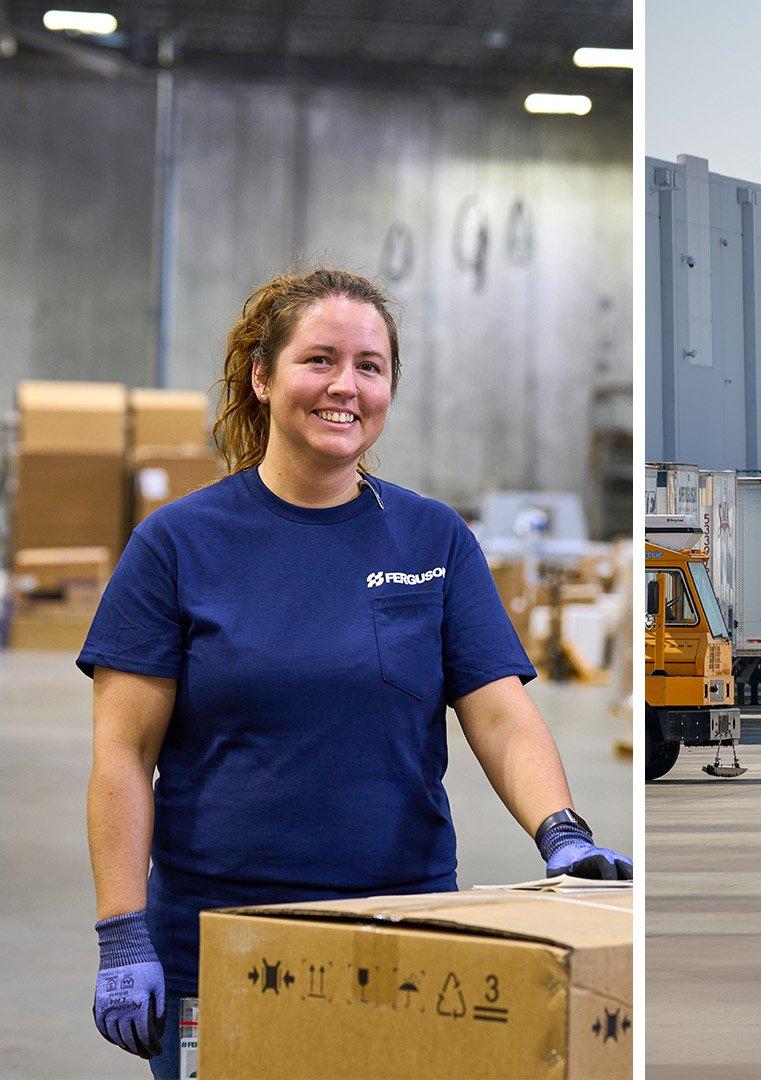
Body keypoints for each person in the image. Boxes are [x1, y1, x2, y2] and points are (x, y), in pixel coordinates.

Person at [83, 268, 632, 1077]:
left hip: (406, 937)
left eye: (370, 367)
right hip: (226, 940)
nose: (346, 386)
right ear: (263, 378)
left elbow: (500, 713)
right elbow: (123, 754)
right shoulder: (177, 545)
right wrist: (121, 930)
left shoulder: (432, 539)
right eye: (320, 360)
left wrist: (562, 831)